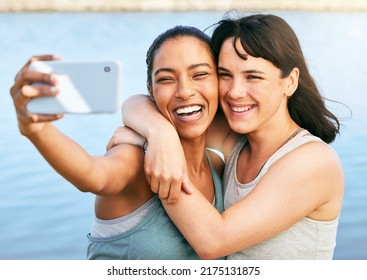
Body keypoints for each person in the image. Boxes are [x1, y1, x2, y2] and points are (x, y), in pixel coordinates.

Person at [112, 13, 345, 259]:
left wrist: (150, 146)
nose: (235, 92)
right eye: (225, 75)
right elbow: (139, 102)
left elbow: (213, 241)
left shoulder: (314, 162)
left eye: (253, 76)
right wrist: (160, 133)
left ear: (290, 81)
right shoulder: (236, 139)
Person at [10, 25, 224, 259]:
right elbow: (93, 173)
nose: (184, 90)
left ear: (219, 82)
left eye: (200, 74)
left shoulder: (217, 163)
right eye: (166, 79)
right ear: (150, 92)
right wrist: (37, 129)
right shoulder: (134, 159)